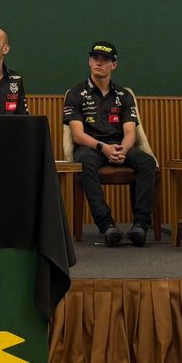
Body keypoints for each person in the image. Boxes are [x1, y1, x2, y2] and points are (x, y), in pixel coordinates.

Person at [62, 41, 157, 247]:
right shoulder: (75, 93)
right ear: (89, 62)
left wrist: (123, 149)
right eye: (95, 58)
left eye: (105, 60)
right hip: (91, 147)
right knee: (84, 162)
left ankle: (140, 225)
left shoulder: (124, 95)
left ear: (114, 65)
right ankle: (106, 225)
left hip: (119, 145)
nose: (99, 63)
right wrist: (102, 148)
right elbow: (77, 135)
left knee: (147, 162)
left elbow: (130, 132)